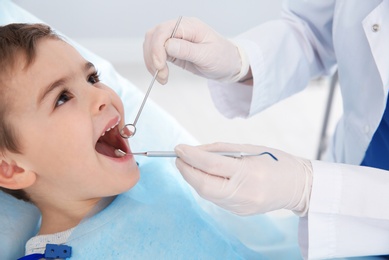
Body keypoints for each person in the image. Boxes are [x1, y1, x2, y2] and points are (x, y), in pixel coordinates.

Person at [0, 23, 275, 259]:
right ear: (12, 169)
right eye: (62, 97)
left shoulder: (157, 180)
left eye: (92, 78)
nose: (102, 96)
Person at [143, 2, 389, 259]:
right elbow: (312, 31)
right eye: (94, 79)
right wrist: (240, 60)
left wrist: (307, 188)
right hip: (356, 161)